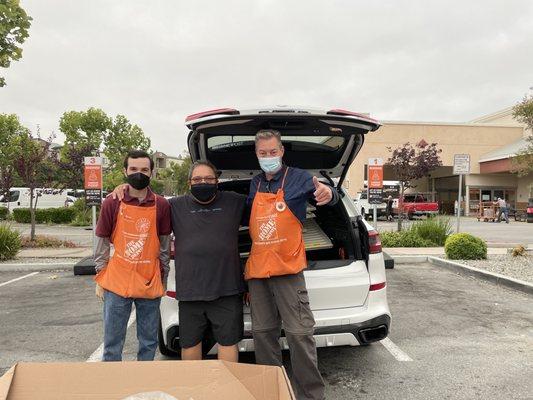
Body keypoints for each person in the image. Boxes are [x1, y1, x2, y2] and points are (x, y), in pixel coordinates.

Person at [113, 160, 247, 362]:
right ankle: (191, 390)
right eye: (198, 179)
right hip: (190, 290)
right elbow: (146, 202)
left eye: (209, 179)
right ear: (189, 182)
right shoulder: (173, 205)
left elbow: (266, 203)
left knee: (228, 342)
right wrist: (126, 188)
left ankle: (225, 388)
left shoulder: (234, 201)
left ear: (217, 181)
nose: (204, 182)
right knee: (190, 342)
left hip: (227, 288)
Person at [246, 129, 338, 400]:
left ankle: (311, 395)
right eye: (263, 153)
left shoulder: (298, 177)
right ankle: (271, 392)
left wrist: (327, 192)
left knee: (299, 335)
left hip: (288, 270)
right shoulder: (255, 183)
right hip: (259, 271)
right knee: (263, 335)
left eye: (273, 152)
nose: (268, 157)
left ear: (282, 151)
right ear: (257, 154)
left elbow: (325, 192)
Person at [94, 150, 171, 361]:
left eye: (144, 170)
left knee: (148, 342)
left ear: (152, 173)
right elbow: (100, 240)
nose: (139, 173)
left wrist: (162, 279)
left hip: (148, 282)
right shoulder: (112, 202)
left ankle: (142, 387)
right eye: (134, 169)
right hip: (117, 283)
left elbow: (164, 246)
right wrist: (101, 275)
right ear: (125, 171)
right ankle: (114, 387)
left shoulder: (161, 205)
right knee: (112, 343)